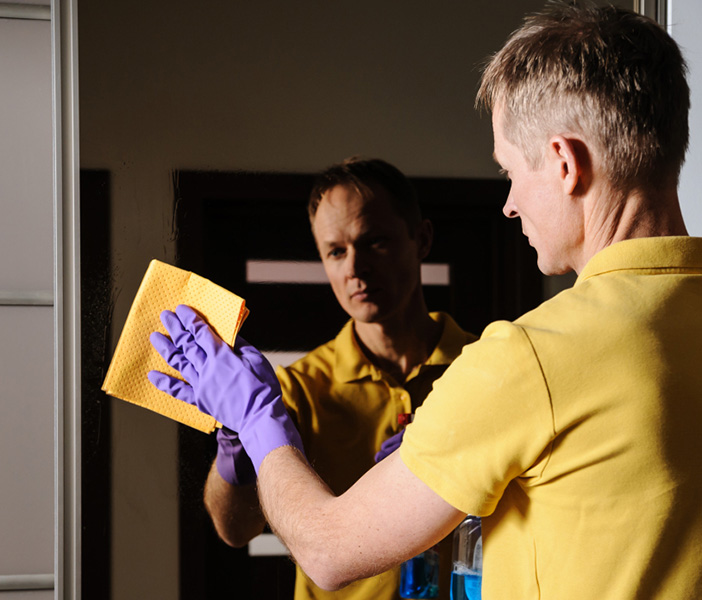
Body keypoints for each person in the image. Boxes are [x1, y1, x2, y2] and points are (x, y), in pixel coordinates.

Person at [148, 4, 702, 599]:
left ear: (566, 164)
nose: (510, 204)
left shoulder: (522, 363)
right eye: (335, 252)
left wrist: (257, 417)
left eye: (510, 172)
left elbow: (329, 552)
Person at [200, 157, 476, 600]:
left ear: (421, 239)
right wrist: (235, 446)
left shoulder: (483, 369)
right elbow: (235, 530)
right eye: (336, 251)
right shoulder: (297, 388)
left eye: (375, 242)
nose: (354, 268)